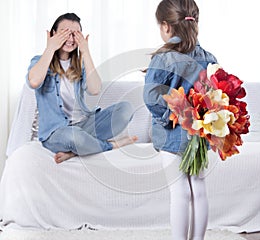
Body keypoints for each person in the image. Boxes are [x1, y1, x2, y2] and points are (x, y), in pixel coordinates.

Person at [143, 1, 217, 239]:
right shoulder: (209, 57)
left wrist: (170, 116)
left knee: (179, 191)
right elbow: (216, 95)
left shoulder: (163, 58)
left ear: (166, 26)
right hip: (199, 135)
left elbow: (151, 97)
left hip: (171, 136)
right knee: (199, 189)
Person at [27, 13, 137, 164]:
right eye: (65, 32)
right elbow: (34, 81)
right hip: (56, 133)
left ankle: (74, 152)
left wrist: (86, 52)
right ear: (53, 34)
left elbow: (95, 89)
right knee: (74, 137)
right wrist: (50, 48)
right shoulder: (39, 61)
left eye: (75, 34)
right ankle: (109, 146)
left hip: (83, 126)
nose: (71, 39)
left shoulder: (79, 66)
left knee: (126, 109)